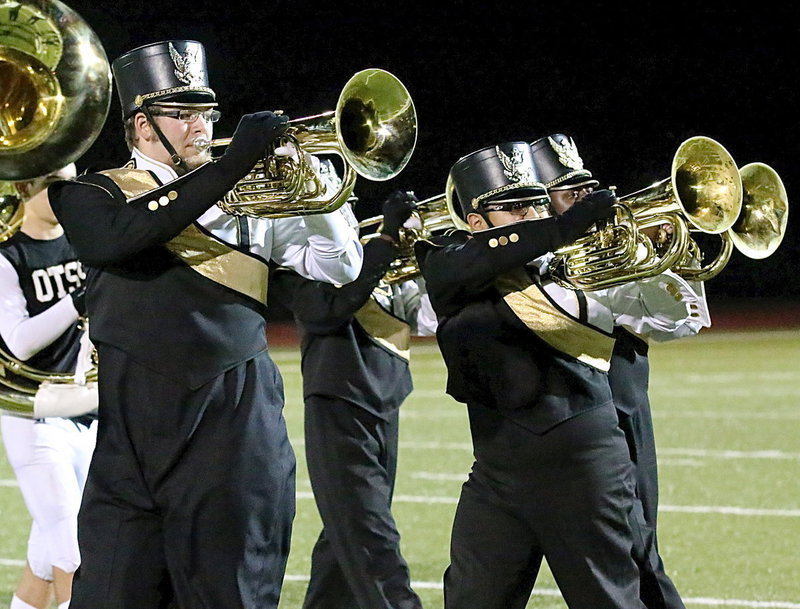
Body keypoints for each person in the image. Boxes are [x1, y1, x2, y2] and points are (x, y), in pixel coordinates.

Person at [47, 40, 364, 609]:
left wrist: (316, 191)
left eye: (208, 113)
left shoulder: (247, 198)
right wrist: (235, 160)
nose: (201, 125)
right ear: (143, 126)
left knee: (233, 596)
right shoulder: (92, 193)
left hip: (235, 430)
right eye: (183, 113)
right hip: (129, 442)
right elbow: (117, 238)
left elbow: (339, 267)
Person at [529, 133, 711, 609]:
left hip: (625, 410)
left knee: (639, 545)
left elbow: (682, 322)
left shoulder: (614, 255)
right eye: (569, 193)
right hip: (558, 424)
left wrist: (662, 260)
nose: (585, 200)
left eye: (587, 189)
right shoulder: (532, 265)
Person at [269, 190, 436, 609]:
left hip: (385, 402)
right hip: (339, 405)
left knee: (342, 542)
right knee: (370, 537)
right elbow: (329, 311)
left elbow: (427, 318)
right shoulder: (297, 267)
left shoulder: (370, 262)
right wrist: (383, 242)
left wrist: (431, 255)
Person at [0, 164, 98, 609]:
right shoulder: (7, 256)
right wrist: (78, 299)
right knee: (71, 551)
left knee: (44, 560)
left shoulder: (85, 240)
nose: (68, 195)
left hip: (87, 410)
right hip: (34, 418)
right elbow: (18, 342)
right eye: (57, 186)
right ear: (25, 187)